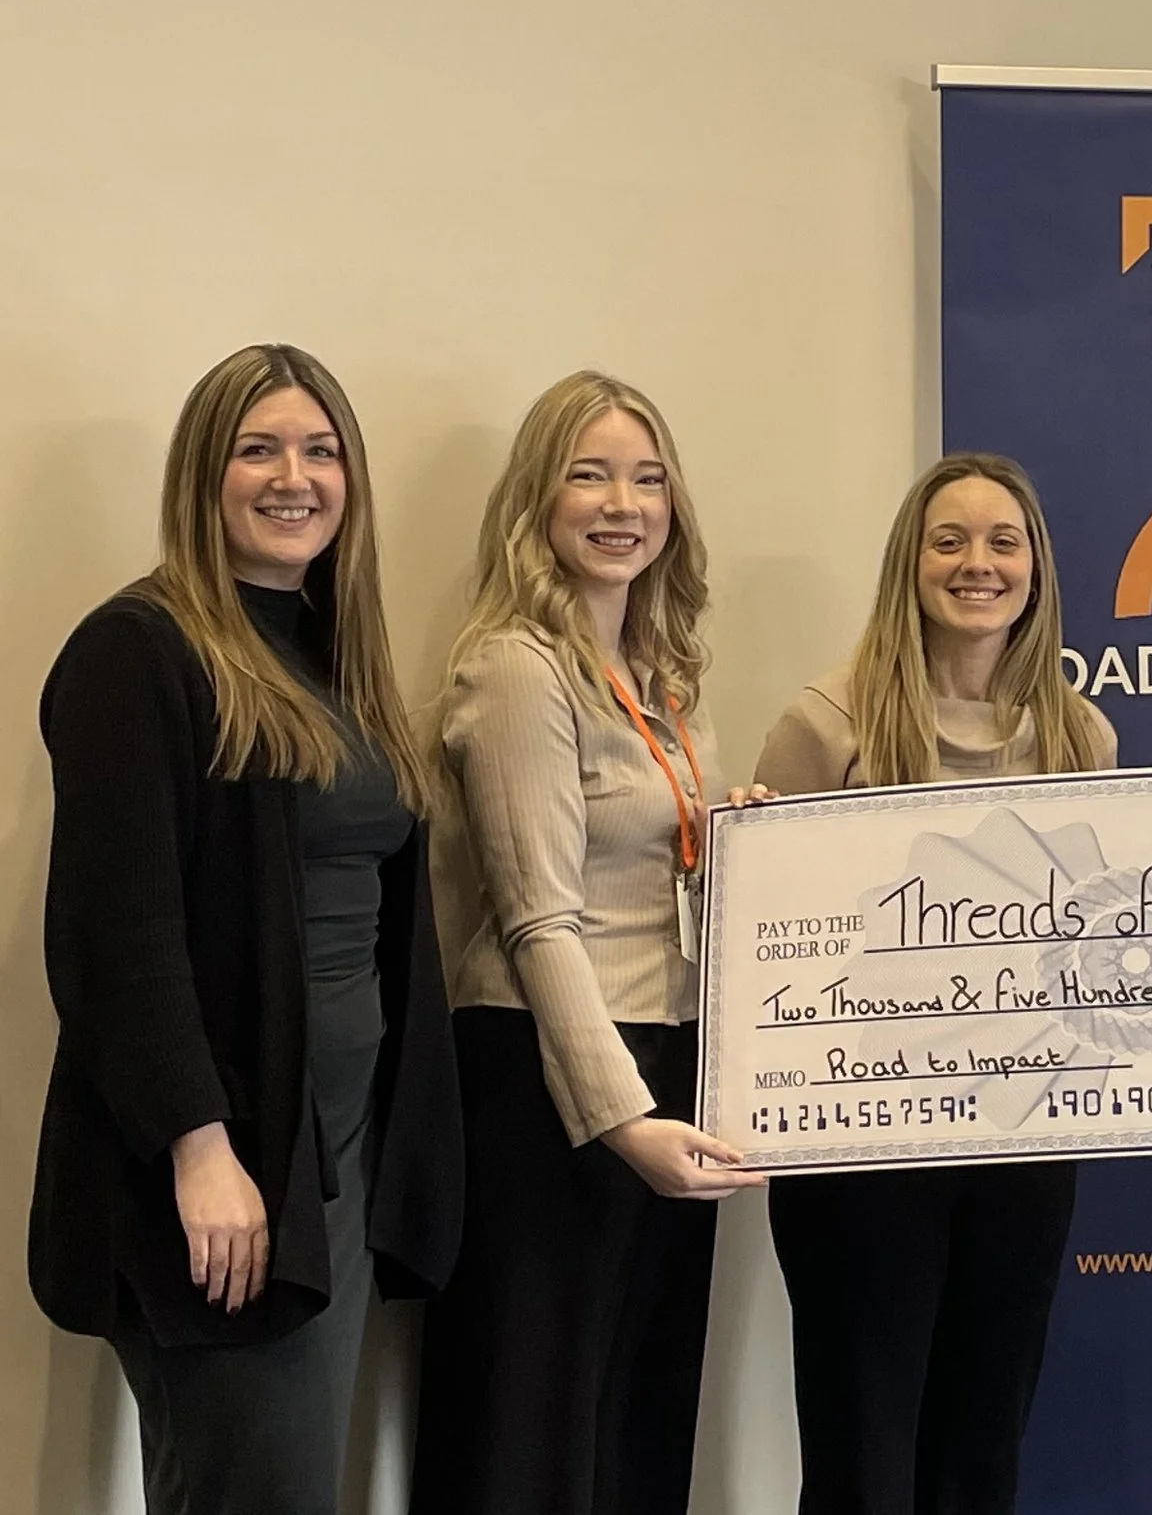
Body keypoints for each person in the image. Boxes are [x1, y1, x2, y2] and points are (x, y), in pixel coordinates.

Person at [30, 344, 462, 1514]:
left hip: (339, 1161)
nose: (294, 477)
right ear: (202, 474)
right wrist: (198, 1147)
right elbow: (115, 939)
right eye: (257, 449)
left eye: (321, 451)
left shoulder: (334, 651)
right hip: (228, 1168)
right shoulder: (137, 652)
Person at [411, 371, 768, 1515]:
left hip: (664, 1058)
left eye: (648, 478)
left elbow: (649, 862)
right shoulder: (515, 667)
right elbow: (538, 918)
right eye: (590, 475)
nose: (623, 504)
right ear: (537, 499)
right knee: (531, 1434)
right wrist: (620, 1122)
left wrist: (740, 841)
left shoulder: (663, 678)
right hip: (550, 1085)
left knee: (635, 1421)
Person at [753, 451, 1116, 1515]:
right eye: (948, 541)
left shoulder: (1082, 733)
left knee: (981, 1447)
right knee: (864, 1456)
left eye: (1003, 542)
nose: (977, 564)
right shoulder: (828, 722)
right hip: (861, 1152)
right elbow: (769, 941)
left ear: (1036, 568)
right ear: (908, 566)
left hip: (1023, 1146)